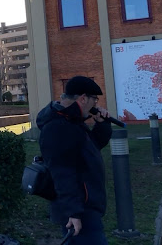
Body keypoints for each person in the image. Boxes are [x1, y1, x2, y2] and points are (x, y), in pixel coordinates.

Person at [36, 76, 113, 244]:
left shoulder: (72, 121)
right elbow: (62, 172)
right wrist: (73, 212)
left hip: (85, 204)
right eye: (94, 99)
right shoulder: (58, 126)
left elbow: (91, 148)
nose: (96, 104)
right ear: (83, 98)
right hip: (79, 208)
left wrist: (102, 124)